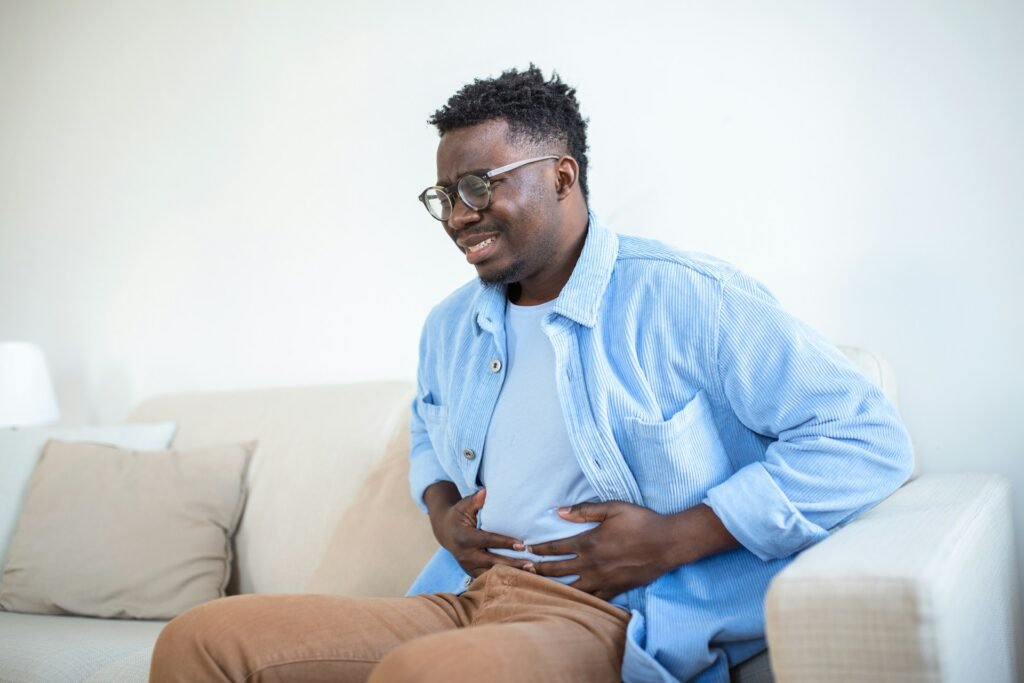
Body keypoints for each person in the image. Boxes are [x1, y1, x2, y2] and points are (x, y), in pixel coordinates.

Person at [150, 65, 913, 683]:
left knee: (427, 675)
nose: (456, 216)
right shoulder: (451, 325)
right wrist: (442, 507)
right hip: (463, 598)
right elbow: (427, 420)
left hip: (604, 614)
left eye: (480, 185)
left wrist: (678, 537)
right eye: (444, 195)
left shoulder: (686, 297)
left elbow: (866, 435)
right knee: (202, 639)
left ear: (561, 175)